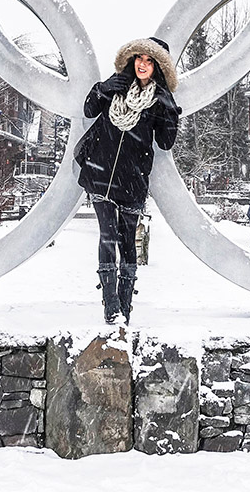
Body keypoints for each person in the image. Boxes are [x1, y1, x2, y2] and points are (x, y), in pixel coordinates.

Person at [74, 37, 181, 325]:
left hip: (132, 180)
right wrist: (102, 89)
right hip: (100, 174)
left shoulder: (160, 100)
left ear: (157, 67)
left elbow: (166, 142)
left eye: (149, 61)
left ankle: (126, 304)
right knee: (107, 236)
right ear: (132, 60)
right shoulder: (116, 85)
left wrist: (169, 110)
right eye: (139, 59)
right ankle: (111, 305)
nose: (143, 65)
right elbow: (89, 109)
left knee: (128, 241)